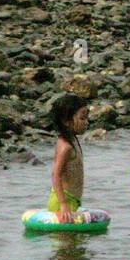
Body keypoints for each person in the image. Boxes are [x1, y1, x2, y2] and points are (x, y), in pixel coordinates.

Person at [47, 94, 89, 223]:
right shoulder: (66, 147)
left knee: (74, 242)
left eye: (87, 117)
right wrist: (63, 204)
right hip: (64, 201)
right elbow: (55, 175)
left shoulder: (72, 140)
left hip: (72, 200)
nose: (86, 122)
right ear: (66, 121)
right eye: (82, 118)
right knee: (66, 242)